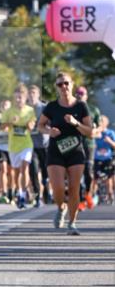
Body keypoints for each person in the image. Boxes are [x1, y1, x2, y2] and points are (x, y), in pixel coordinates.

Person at [37, 73, 93, 234]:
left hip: (75, 151)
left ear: (72, 84)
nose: (63, 87)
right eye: (60, 84)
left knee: (75, 188)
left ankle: (72, 222)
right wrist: (49, 131)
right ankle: (61, 207)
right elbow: (39, 126)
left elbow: (89, 132)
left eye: (66, 83)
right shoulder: (52, 106)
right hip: (56, 151)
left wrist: (76, 123)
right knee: (58, 188)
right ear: (56, 87)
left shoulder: (81, 106)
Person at [0, 84, 36, 209]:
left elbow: (32, 126)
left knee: (24, 168)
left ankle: (23, 194)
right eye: (16, 97)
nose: (18, 100)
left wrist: (30, 124)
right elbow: (2, 127)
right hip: (13, 146)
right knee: (15, 173)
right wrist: (10, 122)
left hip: (27, 144)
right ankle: (18, 191)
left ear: (25, 98)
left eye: (21, 97)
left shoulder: (30, 110)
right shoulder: (9, 111)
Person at [74, 84, 101, 209]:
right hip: (76, 143)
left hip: (89, 144)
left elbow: (100, 127)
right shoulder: (72, 108)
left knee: (89, 171)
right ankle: (79, 199)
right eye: (77, 93)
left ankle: (88, 194)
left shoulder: (94, 109)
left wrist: (94, 131)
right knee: (77, 172)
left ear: (86, 96)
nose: (79, 96)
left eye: (82, 93)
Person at [28, 84, 49, 207]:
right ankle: (36, 198)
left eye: (33, 94)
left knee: (46, 173)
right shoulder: (25, 109)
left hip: (45, 144)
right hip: (31, 145)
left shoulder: (44, 108)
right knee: (34, 171)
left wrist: (44, 126)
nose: (31, 96)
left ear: (38, 95)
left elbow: (52, 121)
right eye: (29, 94)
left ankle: (47, 193)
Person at [94, 115, 115, 204]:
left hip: (107, 159)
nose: (100, 123)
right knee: (94, 178)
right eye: (99, 121)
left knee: (108, 178)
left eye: (102, 121)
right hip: (96, 159)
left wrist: (109, 141)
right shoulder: (95, 133)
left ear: (106, 123)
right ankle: (93, 196)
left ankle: (110, 195)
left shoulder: (110, 133)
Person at [0, 98, 11, 203]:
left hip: (12, 148)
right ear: (0, 108)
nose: (5, 107)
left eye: (7, 105)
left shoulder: (14, 117)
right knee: (3, 169)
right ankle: (4, 193)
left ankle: (13, 192)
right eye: (3, 105)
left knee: (12, 173)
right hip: (0, 148)